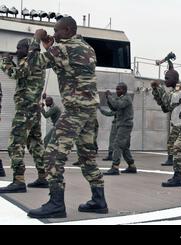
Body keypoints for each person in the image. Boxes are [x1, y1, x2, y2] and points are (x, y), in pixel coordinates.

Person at [26, 17, 108, 218]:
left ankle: (56, 204)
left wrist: (36, 40)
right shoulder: (86, 47)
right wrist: (51, 46)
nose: (54, 34)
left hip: (75, 111)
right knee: (87, 157)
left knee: (52, 155)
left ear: (69, 30)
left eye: (58, 31)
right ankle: (99, 200)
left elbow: (33, 64)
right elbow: (67, 66)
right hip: (89, 111)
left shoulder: (63, 48)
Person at [0, 38, 48, 193]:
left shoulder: (29, 61)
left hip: (25, 111)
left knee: (15, 144)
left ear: (27, 49)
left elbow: (15, 73)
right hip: (34, 110)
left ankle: (18, 180)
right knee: (35, 144)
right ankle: (43, 177)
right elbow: (23, 74)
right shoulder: (36, 62)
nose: (17, 51)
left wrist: (5, 60)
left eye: (19, 48)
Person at [103, 82, 136, 175]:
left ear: (124, 90)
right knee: (124, 147)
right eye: (116, 89)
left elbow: (118, 105)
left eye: (119, 89)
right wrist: (108, 99)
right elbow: (114, 108)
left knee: (117, 145)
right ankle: (132, 166)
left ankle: (115, 167)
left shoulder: (126, 98)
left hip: (125, 125)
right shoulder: (121, 98)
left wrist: (110, 97)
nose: (117, 91)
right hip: (122, 125)